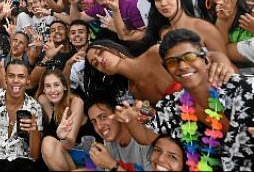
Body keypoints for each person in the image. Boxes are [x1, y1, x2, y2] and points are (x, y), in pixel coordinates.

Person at [115, 29, 254, 170]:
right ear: (167, 69)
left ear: (205, 59)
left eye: (190, 57)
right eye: (172, 62)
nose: (183, 66)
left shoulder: (247, 88)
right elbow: (145, 137)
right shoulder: (173, 106)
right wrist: (130, 120)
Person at [84, 97, 152, 171]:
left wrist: (112, 165)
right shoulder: (109, 141)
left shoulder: (144, 140)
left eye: (103, 117)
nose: (99, 127)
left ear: (118, 114)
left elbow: (111, 165)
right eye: (94, 121)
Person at [38, 70, 86, 171]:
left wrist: (63, 137)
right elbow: (41, 98)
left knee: (48, 143)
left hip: (86, 159)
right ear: (44, 90)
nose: (53, 90)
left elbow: (70, 143)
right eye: (48, 86)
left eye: (56, 85)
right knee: (48, 143)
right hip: (61, 160)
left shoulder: (76, 102)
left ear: (64, 87)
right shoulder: (45, 101)